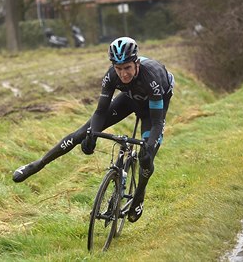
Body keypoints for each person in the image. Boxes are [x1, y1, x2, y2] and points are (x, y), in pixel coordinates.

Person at [12, 37, 174, 222]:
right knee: (81, 133)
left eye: (127, 68)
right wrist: (91, 136)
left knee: (147, 157)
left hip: (153, 108)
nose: (123, 74)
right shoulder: (111, 76)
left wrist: (150, 145)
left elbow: (157, 122)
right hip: (130, 98)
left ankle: (138, 197)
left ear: (136, 63)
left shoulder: (151, 77)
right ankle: (36, 165)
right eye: (118, 69)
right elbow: (100, 111)